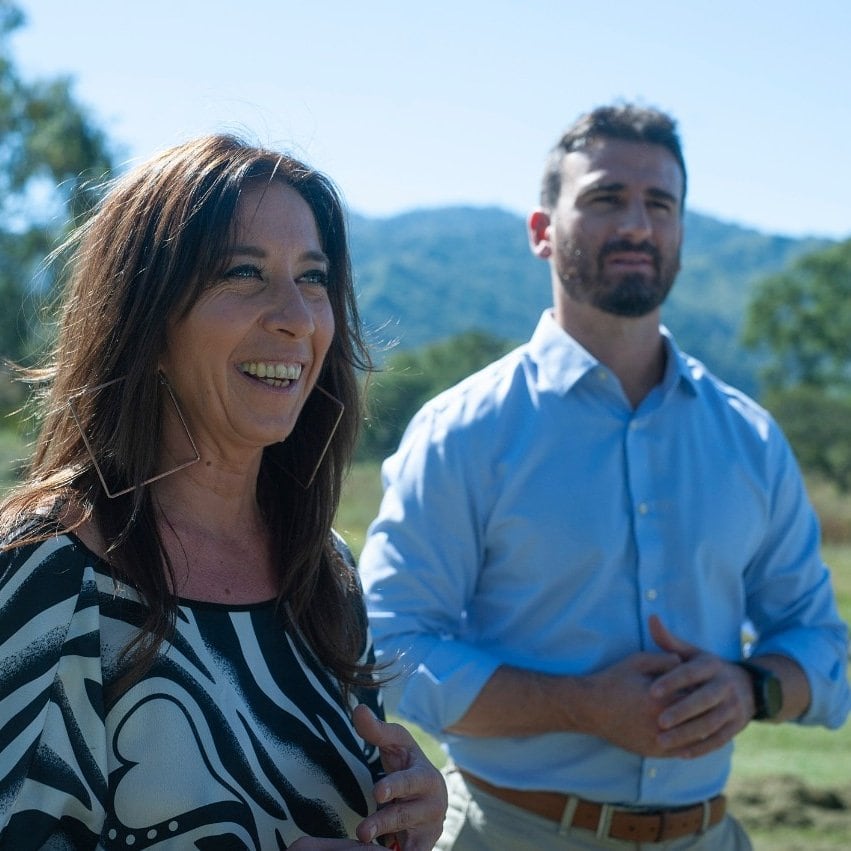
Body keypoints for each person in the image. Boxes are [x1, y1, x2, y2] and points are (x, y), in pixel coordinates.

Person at [359, 103, 851, 850]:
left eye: (659, 204)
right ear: (540, 230)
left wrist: (750, 687)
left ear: (681, 231)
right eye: (603, 198)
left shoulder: (748, 437)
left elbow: (820, 643)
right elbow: (391, 648)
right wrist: (581, 704)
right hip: (508, 834)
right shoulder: (462, 431)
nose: (636, 224)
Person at [0, 134, 446, 850]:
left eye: (313, 277)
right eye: (244, 273)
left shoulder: (323, 567)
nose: (296, 318)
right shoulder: (44, 569)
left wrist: (404, 816)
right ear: (146, 317)